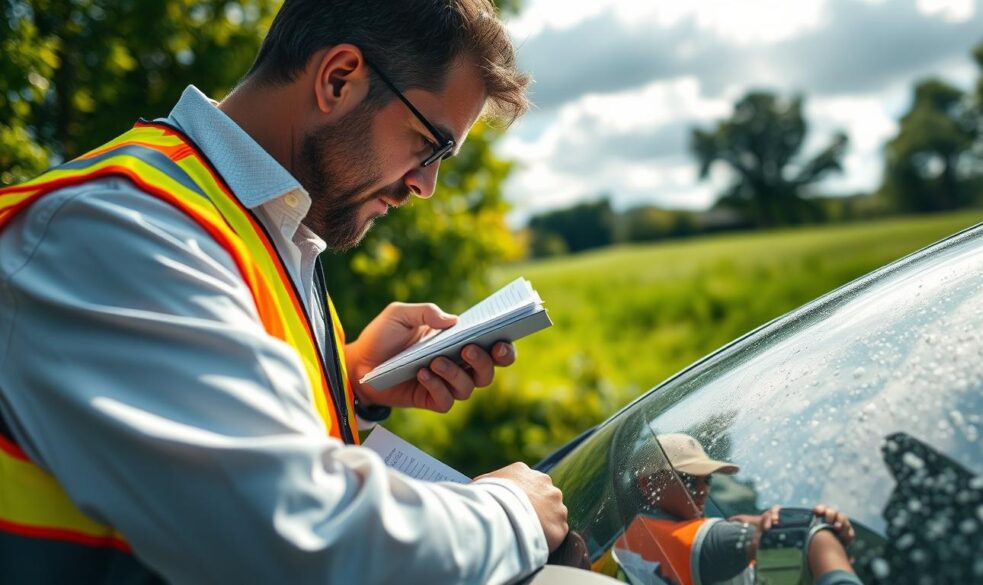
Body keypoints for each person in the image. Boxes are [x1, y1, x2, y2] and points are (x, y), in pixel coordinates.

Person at [0, 1, 568, 583]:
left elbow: (215, 444)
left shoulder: (259, 227)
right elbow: (298, 539)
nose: (425, 184)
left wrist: (350, 386)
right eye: (430, 145)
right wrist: (513, 511)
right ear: (338, 79)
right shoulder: (120, 230)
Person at [605, 434, 862, 585]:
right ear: (649, 485)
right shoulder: (698, 541)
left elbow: (779, 575)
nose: (703, 489)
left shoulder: (630, 544)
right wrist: (821, 532)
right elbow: (802, 536)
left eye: (708, 480)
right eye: (689, 479)